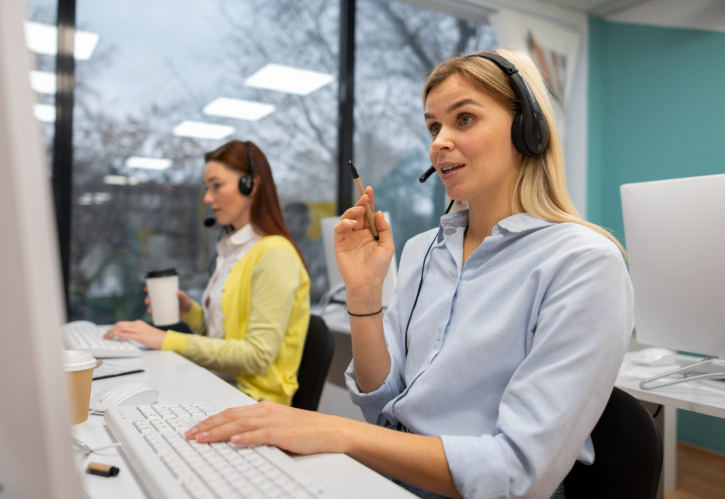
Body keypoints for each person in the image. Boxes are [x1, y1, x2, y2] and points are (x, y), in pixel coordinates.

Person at [182, 49, 633, 499]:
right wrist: (363, 295)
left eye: (464, 119)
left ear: (528, 129)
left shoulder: (583, 263)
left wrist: (336, 433)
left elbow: (515, 474)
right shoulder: (424, 250)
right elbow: (382, 406)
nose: (438, 141)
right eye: (434, 126)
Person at [105, 140, 311, 406]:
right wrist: (190, 311)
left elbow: (256, 356)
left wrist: (165, 339)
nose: (207, 197)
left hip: (252, 400)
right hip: (221, 384)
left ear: (251, 185)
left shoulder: (274, 255)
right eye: (207, 187)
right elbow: (222, 339)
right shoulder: (234, 250)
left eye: (217, 185)